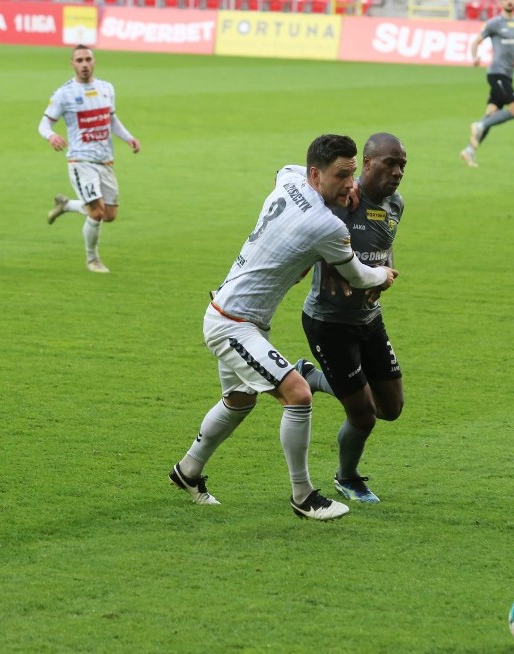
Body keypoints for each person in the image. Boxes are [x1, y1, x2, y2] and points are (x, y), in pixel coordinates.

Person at [168, 134, 399, 521]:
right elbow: (358, 276)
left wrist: (335, 193)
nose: (350, 185)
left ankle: (187, 471)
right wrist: (384, 274)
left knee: (239, 402)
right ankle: (303, 495)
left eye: (353, 174)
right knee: (298, 394)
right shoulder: (324, 225)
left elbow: (282, 170)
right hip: (233, 325)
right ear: (315, 174)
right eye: (341, 176)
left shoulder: (291, 180)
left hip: (233, 310)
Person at [293, 133, 407, 504]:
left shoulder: (396, 205)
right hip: (329, 322)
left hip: (369, 318)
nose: (397, 172)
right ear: (368, 164)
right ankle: (348, 478)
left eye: (402, 165)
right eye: (390, 163)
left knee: (390, 408)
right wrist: (333, 271)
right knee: (362, 416)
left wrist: (385, 273)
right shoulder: (343, 200)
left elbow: (384, 248)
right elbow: (318, 235)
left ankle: (312, 376)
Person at [38, 45, 141, 274]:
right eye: (79, 60)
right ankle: (92, 260)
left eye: (88, 59)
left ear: (94, 62)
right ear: (72, 64)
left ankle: (66, 205)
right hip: (80, 160)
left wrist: (128, 138)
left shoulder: (106, 88)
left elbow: (111, 119)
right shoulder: (63, 94)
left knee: (110, 215)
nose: (84, 64)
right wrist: (51, 135)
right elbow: (44, 124)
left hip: (105, 160)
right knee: (96, 212)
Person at [460, 0, 514, 168]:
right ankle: (479, 125)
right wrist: (475, 57)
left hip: (507, 75)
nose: (510, 2)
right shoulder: (494, 23)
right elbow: (476, 41)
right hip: (496, 73)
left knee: (491, 113)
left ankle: (469, 151)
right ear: (500, 2)